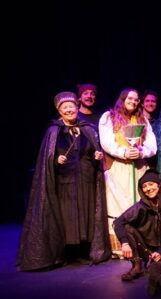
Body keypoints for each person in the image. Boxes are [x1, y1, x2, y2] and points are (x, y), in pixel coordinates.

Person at [17, 92, 110, 271]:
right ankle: (69, 253)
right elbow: (46, 158)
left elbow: (92, 151)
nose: (69, 110)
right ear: (59, 111)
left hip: (86, 180)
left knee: (86, 215)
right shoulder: (54, 131)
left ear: (77, 107)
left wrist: (96, 155)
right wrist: (55, 160)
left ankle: (85, 251)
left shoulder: (87, 128)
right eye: (64, 107)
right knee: (68, 218)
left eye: (71, 106)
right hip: (65, 182)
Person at [99, 88, 157, 256]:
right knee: (118, 204)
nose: (133, 101)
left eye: (136, 99)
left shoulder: (142, 119)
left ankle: (141, 245)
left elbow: (151, 144)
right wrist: (124, 152)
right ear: (122, 99)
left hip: (138, 167)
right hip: (117, 167)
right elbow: (106, 141)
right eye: (130, 98)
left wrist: (141, 152)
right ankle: (120, 247)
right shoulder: (108, 117)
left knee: (138, 204)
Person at [113, 169, 161, 281]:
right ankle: (137, 265)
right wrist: (124, 242)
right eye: (144, 186)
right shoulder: (141, 206)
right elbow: (118, 222)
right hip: (147, 249)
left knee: (157, 267)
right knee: (128, 227)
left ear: (158, 185)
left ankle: (160, 275)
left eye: (151, 184)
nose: (148, 189)